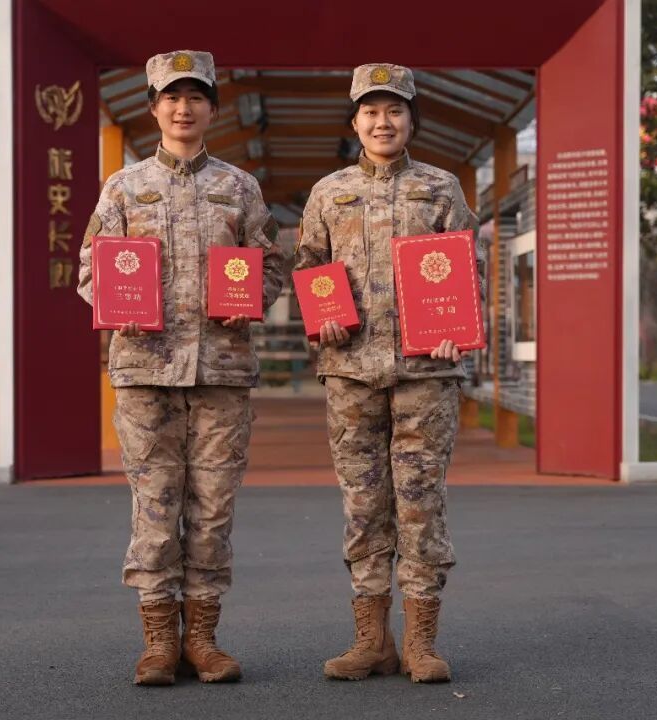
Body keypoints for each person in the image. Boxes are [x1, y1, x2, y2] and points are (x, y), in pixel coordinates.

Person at [76, 49, 285, 686]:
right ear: (154, 108)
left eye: (195, 97)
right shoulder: (124, 187)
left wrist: (249, 304)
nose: (183, 107)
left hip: (221, 370)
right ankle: (159, 641)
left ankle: (205, 639)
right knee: (154, 506)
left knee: (214, 507)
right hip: (145, 370)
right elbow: (91, 269)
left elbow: (269, 265)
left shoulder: (239, 187)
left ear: (213, 109)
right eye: (172, 97)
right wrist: (118, 308)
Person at [293, 63, 482, 683]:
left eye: (394, 110)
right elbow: (310, 266)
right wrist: (319, 315)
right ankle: (371, 640)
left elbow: (468, 271)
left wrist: (461, 326)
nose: (383, 121)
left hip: (427, 372)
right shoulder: (328, 191)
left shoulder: (441, 188)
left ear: (410, 119)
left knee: (421, 502)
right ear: (355, 123)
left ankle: (422, 642)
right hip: (349, 371)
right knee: (363, 505)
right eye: (371, 112)